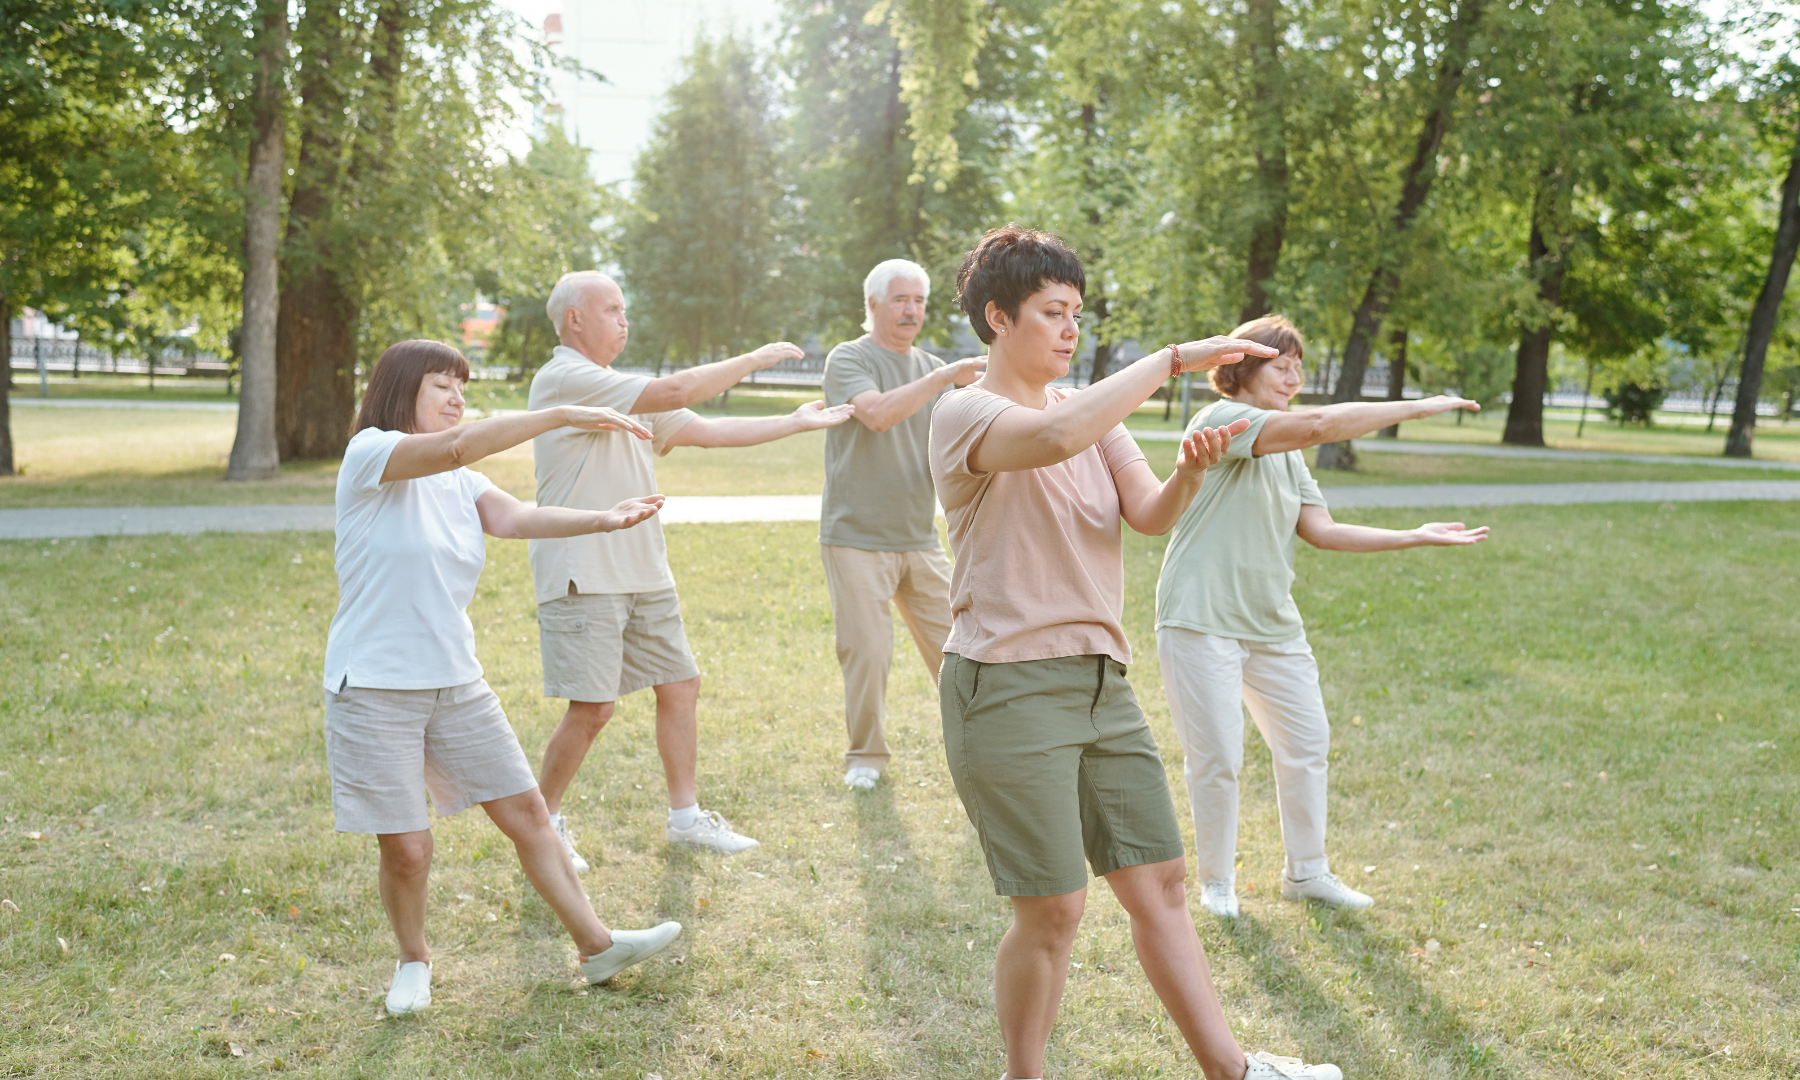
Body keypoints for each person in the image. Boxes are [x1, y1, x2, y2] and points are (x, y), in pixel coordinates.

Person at [929, 226, 1341, 1080]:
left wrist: (1190, 469)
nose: (1070, 329)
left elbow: (1148, 514)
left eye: (1076, 312)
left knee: (1160, 885)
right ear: (998, 317)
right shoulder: (966, 411)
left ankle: (1233, 1071)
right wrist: (1170, 361)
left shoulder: (1092, 415)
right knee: (1053, 911)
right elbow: (1046, 442)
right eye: (1052, 312)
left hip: (1100, 685)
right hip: (1004, 688)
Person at [321, 340, 682, 1017]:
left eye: (463, 387)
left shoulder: (459, 480)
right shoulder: (371, 452)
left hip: (455, 679)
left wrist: (600, 520)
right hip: (372, 682)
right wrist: (559, 412)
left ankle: (597, 945)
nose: (458, 399)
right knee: (408, 849)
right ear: (402, 390)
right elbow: (458, 449)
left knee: (528, 815)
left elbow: (513, 517)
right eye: (442, 386)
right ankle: (413, 959)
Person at [1155, 315, 1489, 919]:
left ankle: (1307, 874)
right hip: (1201, 616)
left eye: (1297, 365)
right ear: (1241, 369)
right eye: (1280, 363)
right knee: (1218, 756)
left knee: (1307, 743)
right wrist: (1412, 409)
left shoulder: (1288, 457)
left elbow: (1323, 531)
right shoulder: (1220, 421)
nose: (1294, 375)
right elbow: (1318, 423)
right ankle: (1217, 884)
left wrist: (1413, 535)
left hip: (1271, 625)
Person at [528, 271, 855, 869]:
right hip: (585, 569)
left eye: (626, 309)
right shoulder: (563, 377)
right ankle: (541, 826)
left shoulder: (616, 386)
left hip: (644, 568)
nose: (624, 321)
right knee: (593, 708)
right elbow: (678, 389)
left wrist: (792, 423)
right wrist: (753, 359)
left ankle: (685, 819)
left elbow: (703, 430)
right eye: (612, 309)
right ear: (574, 318)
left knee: (680, 686)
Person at [820, 258, 984, 790]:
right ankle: (865, 756)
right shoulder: (849, 358)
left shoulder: (937, 369)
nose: (911, 309)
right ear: (872, 305)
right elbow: (877, 414)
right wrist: (940, 378)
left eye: (918, 300)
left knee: (959, 652)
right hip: (856, 539)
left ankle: (983, 752)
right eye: (900, 299)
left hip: (919, 537)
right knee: (867, 653)